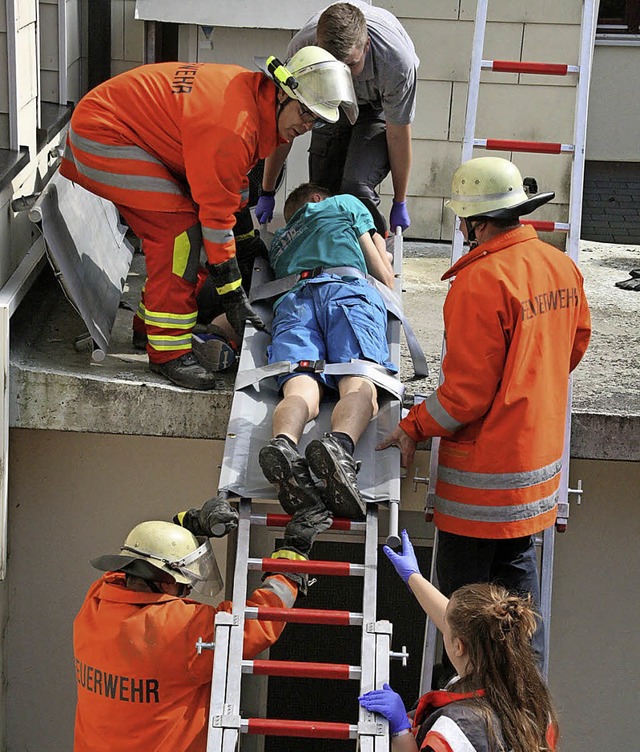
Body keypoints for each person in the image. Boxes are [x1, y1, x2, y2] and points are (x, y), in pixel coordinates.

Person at [377, 157, 592, 664]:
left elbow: (464, 397)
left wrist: (413, 426)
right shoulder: (560, 265)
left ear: (476, 222)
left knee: (465, 635)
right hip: (532, 485)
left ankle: (467, 725)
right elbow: (575, 345)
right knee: (520, 619)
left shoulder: (479, 282)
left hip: (480, 491)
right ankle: (527, 716)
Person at [61, 46, 358, 390]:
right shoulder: (232, 127)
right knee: (179, 233)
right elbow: (215, 218)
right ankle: (168, 352)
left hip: (120, 127)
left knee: (183, 228)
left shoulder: (250, 100)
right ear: (282, 92)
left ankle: (150, 328)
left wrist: (246, 243)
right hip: (102, 134)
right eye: (305, 113)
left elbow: (230, 183)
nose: (306, 126)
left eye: (316, 120)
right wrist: (233, 295)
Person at [73, 497, 332, 751]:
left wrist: (189, 527)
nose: (185, 591)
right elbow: (259, 622)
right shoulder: (183, 627)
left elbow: (140, 560)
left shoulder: (95, 602)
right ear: (164, 581)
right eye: (182, 583)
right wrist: (291, 555)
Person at [258, 182, 396, 520]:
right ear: (319, 198)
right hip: (345, 293)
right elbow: (385, 277)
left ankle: (285, 444)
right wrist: (383, 246)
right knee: (358, 381)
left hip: (294, 303)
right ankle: (339, 445)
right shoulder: (344, 203)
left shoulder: (279, 243)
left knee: (301, 386)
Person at [358, 529, 558, 752]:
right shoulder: (532, 700)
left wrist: (401, 732)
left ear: (458, 646)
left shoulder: (456, 731)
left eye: (445, 626)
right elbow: (466, 628)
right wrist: (413, 577)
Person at [256, 1, 419, 235]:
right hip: (329, 103)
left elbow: (398, 134)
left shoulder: (396, 65)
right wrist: (267, 190)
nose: (344, 74)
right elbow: (283, 125)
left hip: (375, 107)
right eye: (334, 65)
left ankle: (373, 256)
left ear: (366, 47)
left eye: (351, 65)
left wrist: (399, 200)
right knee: (322, 192)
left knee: (356, 187)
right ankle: (326, 258)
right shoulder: (302, 48)